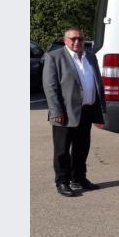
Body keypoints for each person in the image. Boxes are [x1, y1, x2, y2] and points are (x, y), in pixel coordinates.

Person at [43, 27, 106, 197]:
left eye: (80, 38)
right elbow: (50, 87)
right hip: (64, 112)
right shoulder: (55, 57)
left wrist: (100, 106)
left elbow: (97, 82)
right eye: (73, 39)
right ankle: (62, 182)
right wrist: (56, 111)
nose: (77, 42)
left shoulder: (90, 56)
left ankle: (78, 178)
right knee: (62, 150)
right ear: (65, 41)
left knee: (82, 147)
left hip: (86, 110)